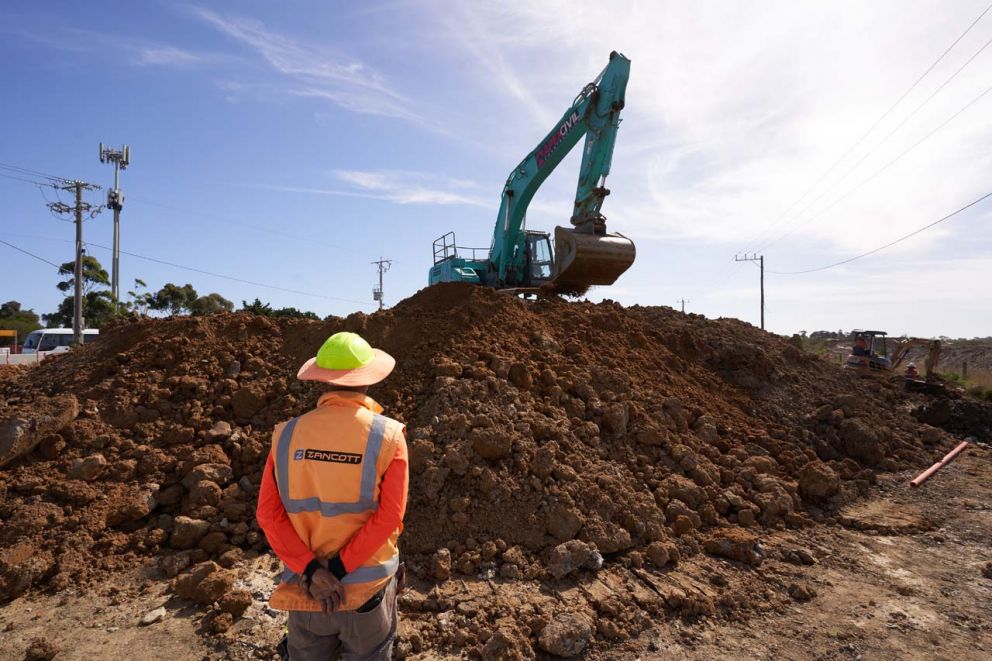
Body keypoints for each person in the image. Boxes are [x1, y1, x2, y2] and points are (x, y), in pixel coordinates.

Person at [257, 332, 409, 661]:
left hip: (309, 592)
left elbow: (269, 515)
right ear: (368, 380)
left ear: (321, 381)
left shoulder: (285, 435)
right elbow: (390, 517)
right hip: (366, 594)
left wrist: (314, 573)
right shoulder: (389, 436)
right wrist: (338, 569)